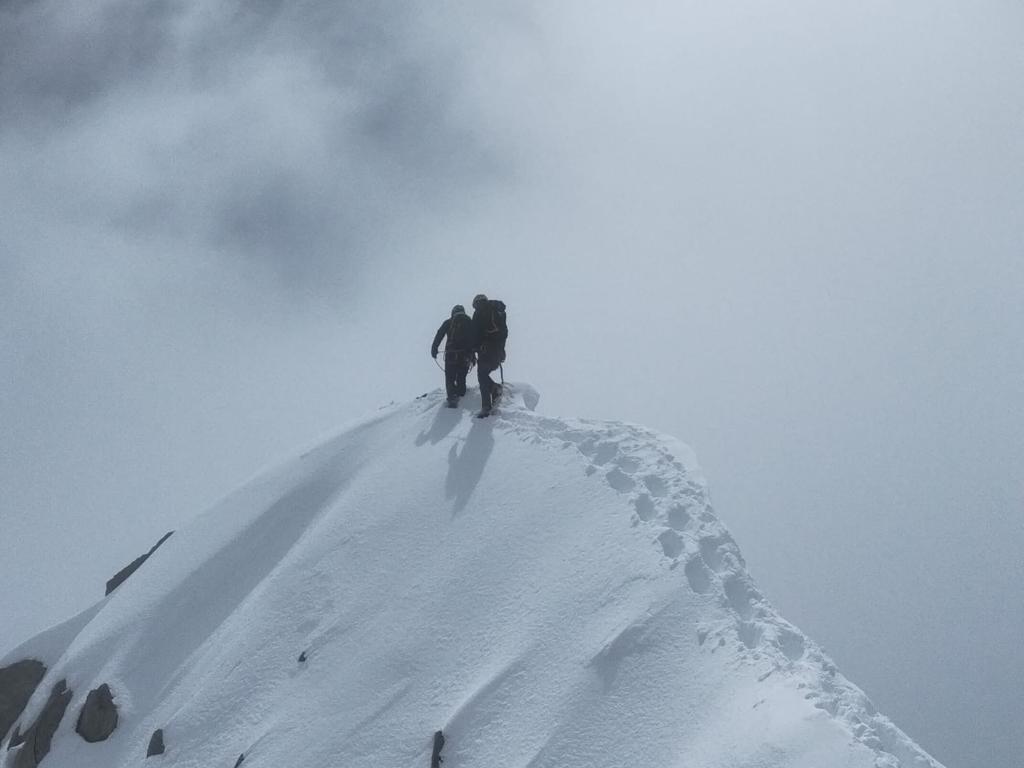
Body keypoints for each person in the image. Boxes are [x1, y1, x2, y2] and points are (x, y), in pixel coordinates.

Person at [470, 293, 508, 417]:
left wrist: (474, 350)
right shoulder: (497, 310)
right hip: (497, 351)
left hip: (485, 350)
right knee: (483, 374)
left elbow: (474, 334)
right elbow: (504, 333)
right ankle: (494, 390)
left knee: (481, 375)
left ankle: (487, 404)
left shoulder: (478, 314)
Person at [431, 304, 475, 407]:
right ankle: (461, 392)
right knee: (461, 377)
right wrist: (473, 356)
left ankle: (451, 399)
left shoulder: (449, 322)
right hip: (465, 356)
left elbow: (439, 334)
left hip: (451, 355)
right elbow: (474, 339)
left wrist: (434, 348)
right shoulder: (469, 321)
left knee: (450, 378)